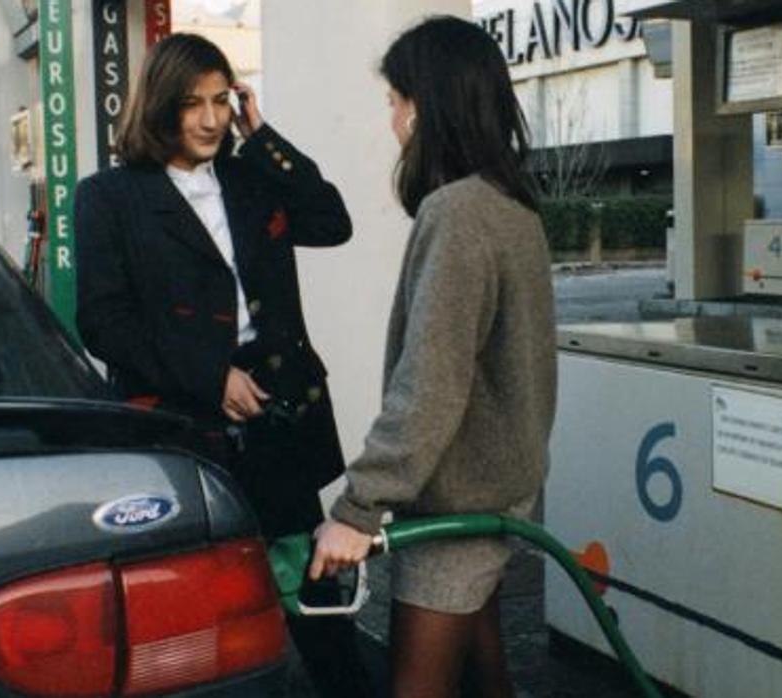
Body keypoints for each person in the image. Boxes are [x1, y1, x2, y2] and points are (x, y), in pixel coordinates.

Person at [73, 33, 371, 698]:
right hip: (183, 421)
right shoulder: (109, 197)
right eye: (191, 104)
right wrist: (209, 375)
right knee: (200, 595)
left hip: (278, 415)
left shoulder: (249, 176)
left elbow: (332, 221)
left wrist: (262, 135)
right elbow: (103, 321)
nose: (210, 119)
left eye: (220, 101)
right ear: (159, 108)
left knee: (311, 589)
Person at [309, 16, 557, 698]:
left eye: (393, 102)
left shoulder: (458, 211)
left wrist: (357, 510)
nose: (390, 121)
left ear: (424, 106)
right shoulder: (511, 206)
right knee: (485, 682)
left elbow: (430, 382)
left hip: (457, 513)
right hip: (494, 498)